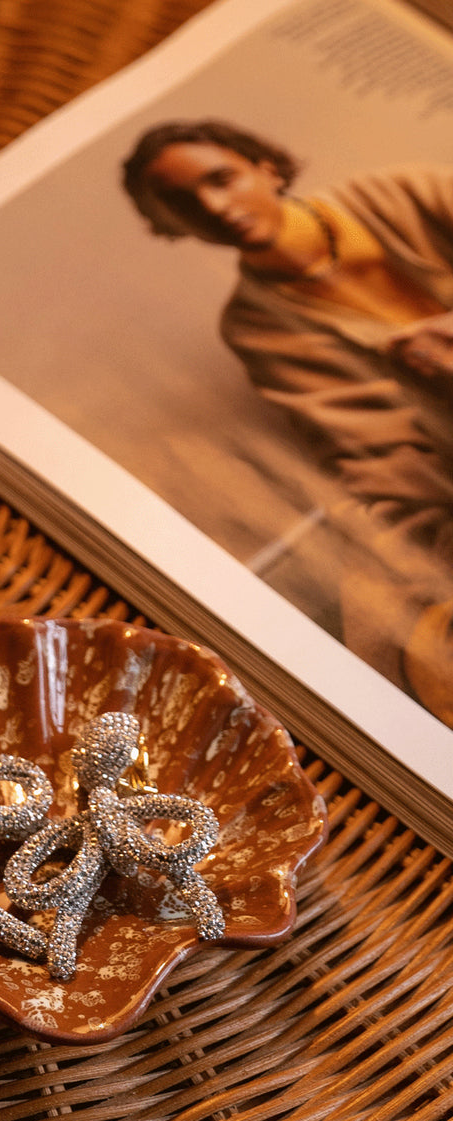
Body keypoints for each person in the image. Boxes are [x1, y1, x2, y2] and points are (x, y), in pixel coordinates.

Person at [121, 119, 453, 723]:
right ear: (170, 223)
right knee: (391, 603)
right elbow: (376, 449)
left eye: (221, 178)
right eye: (181, 202)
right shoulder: (256, 325)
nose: (215, 207)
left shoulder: (405, 194)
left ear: (266, 167)